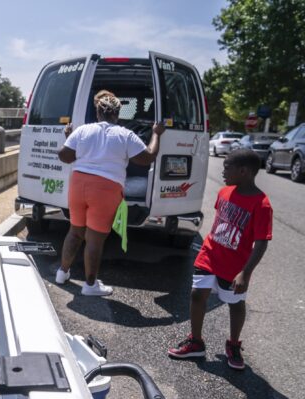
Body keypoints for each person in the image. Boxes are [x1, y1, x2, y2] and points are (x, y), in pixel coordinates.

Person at [168, 149, 272, 370]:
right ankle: (196, 342)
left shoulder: (261, 205)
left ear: (243, 171)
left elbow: (262, 242)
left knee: (235, 303)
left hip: (235, 265)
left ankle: (233, 344)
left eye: (227, 167)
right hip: (210, 254)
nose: (222, 171)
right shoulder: (224, 192)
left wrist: (245, 273)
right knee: (197, 295)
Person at [55, 90, 165, 295]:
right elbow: (147, 157)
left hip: (78, 185)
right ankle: (89, 285)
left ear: (98, 113)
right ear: (117, 114)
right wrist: (156, 134)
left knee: (75, 231)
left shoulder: (82, 131)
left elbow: (64, 156)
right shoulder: (125, 135)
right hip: (105, 189)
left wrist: (69, 138)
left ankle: (62, 273)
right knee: (94, 239)